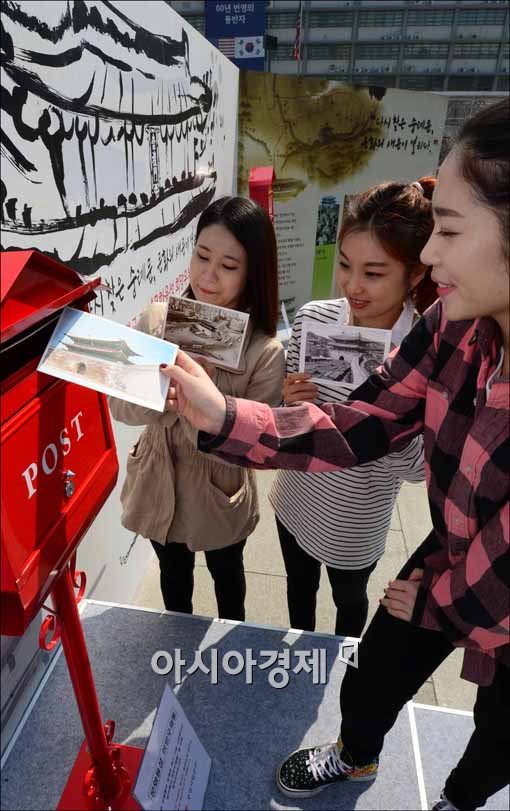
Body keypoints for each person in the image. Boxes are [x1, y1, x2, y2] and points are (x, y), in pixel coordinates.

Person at [162, 100, 509, 811]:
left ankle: (461, 797)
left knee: (500, 729)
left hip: (468, 585)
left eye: (447, 230)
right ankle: (354, 756)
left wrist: (439, 601)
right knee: (373, 671)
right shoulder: (454, 325)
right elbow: (359, 423)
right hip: (449, 561)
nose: (432, 256)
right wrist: (225, 414)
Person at [270, 179, 436, 638]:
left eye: (375, 272)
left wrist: (385, 419)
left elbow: (418, 471)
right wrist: (292, 402)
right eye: (345, 265)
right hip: (297, 495)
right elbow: (286, 419)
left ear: (416, 274)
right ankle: (301, 655)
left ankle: (343, 659)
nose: (353, 286)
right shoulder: (312, 318)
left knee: (349, 599)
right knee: (298, 589)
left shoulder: (423, 352)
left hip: (356, 517)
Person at [109, 196, 284, 621]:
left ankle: (233, 652)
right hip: (158, 481)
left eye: (228, 266)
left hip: (219, 490)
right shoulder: (156, 320)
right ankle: (177, 648)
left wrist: (204, 407)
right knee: (173, 578)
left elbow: (255, 449)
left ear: (252, 272)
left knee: (228, 577)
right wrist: (157, 398)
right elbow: (120, 407)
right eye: (202, 256)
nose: (208, 275)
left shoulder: (264, 351)